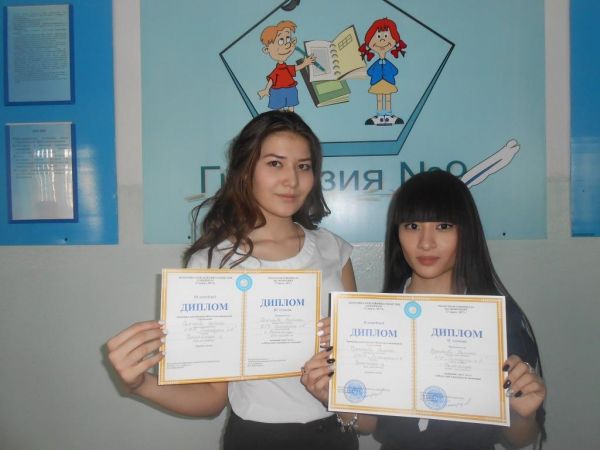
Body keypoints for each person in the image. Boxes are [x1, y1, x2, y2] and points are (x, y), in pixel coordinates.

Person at [105, 110, 358, 450]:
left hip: (336, 433)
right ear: (246, 170)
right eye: (275, 163)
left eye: (303, 166)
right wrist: (140, 384)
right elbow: (212, 398)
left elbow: (353, 364)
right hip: (257, 437)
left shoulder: (333, 249)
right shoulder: (212, 262)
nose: (292, 180)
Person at [301, 170, 546, 449]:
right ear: (398, 233)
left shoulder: (499, 320)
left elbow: (520, 439)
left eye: (443, 226)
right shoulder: (375, 318)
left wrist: (524, 413)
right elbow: (369, 424)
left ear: (466, 232)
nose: (426, 243)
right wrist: (334, 395)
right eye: (412, 226)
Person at [258, 20, 315, 111]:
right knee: (280, 108)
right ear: (267, 50)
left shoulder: (287, 68)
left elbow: (295, 68)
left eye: (288, 39)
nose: (287, 44)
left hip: (290, 89)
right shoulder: (277, 70)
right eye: (281, 41)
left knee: (291, 106)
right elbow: (272, 80)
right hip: (278, 91)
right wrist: (266, 90)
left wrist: (305, 63)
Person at [359, 18, 407, 126]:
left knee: (388, 98)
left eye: (386, 36)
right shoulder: (376, 64)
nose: (382, 40)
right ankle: (380, 114)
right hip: (378, 82)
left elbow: (395, 71)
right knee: (379, 99)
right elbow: (370, 72)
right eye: (378, 37)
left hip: (388, 82)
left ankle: (389, 114)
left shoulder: (388, 63)